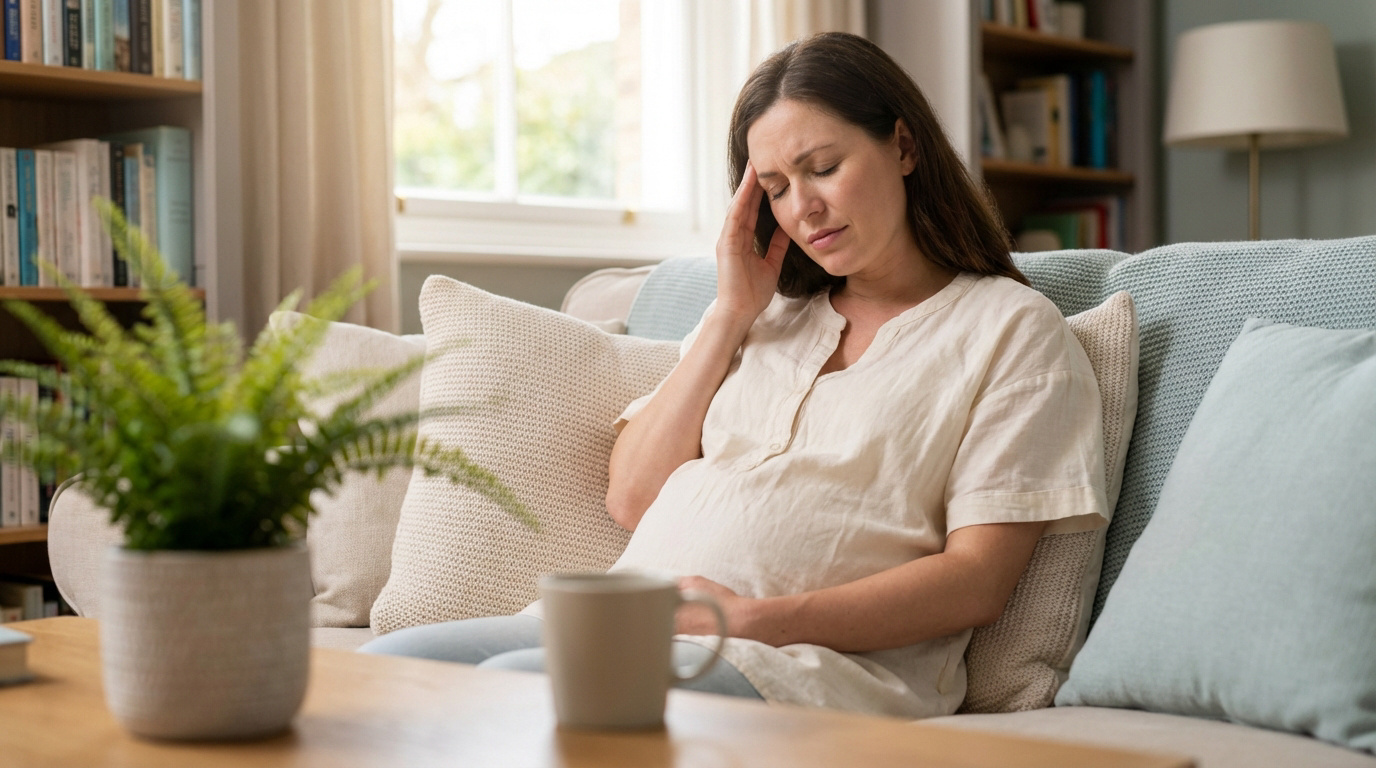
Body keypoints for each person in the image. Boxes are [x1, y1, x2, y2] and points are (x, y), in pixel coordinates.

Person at [361, 31, 1108, 718]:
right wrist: (729, 314)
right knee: (386, 677)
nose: (803, 207)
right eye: (777, 187)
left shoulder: (1010, 330)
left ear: (904, 146)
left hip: (805, 668)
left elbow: (977, 579)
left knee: (516, 702)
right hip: (624, 619)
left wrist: (753, 620)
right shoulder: (764, 318)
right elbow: (631, 495)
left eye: (823, 168)